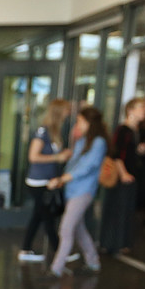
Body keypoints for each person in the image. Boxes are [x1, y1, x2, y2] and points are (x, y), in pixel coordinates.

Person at [46, 105, 108, 278]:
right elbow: (73, 164)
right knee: (79, 230)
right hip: (72, 191)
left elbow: (87, 167)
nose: (78, 124)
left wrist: (62, 179)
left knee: (65, 229)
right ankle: (93, 262)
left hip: (83, 192)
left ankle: (56, 269)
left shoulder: (98, 143)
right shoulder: (82, 141)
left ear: (89, 122)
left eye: (80, 121)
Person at [17, 99, 71, 262]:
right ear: (59, 112)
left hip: (47, 181)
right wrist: (58, 157)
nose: (68, 114)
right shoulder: (43, 131)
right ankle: (60, 252)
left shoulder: (55, 131)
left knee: (38, 216)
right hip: (38, 182)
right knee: (47, 218)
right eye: (66, 110)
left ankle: (25, 249)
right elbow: (33, 156)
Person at [99, 97, 145, 255]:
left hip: (130, 175)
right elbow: (117, 153)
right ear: (131, 110)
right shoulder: (124, 130)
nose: (144, 111)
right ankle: (112, 242)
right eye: (141, 108)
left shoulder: (135, 130)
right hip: (123, 176)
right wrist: (123, 172)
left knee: (124, 209)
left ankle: (119, 242)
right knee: (118, 209)